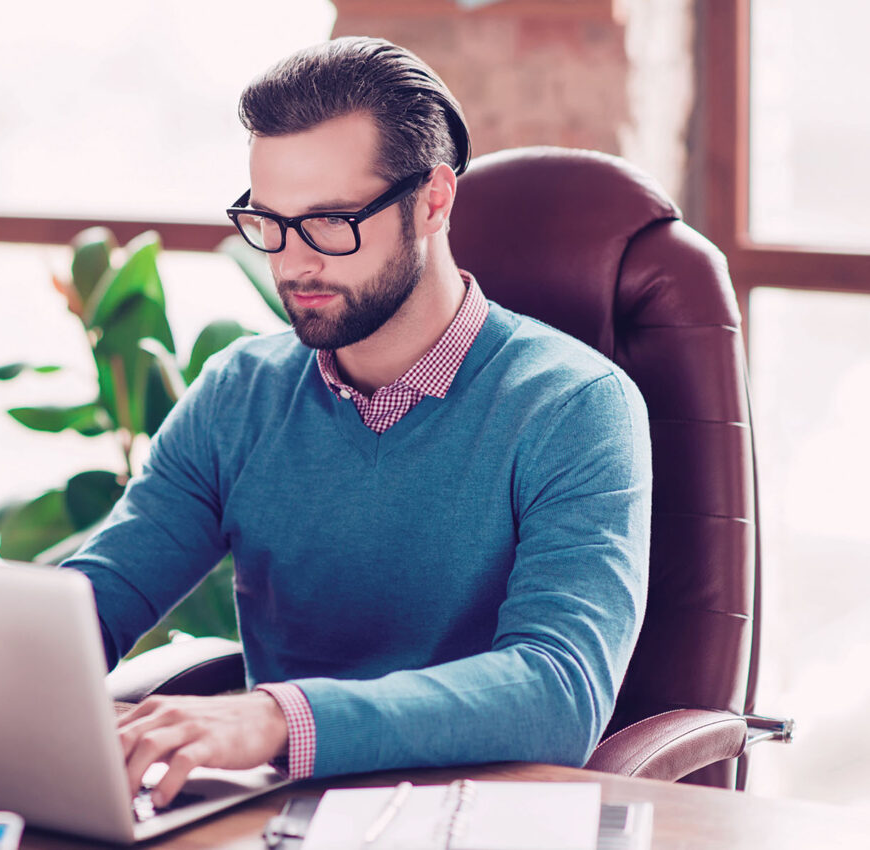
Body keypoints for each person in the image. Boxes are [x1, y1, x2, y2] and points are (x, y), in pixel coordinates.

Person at [61, 36, 652, 808]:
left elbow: (558, 689)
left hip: (474, 819)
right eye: (267, 221)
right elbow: (99, 596)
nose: (293, 262)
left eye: (331, 222)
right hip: (272, 819)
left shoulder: (576, 408)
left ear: (433, 201)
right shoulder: (238, 392)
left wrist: (278, 719)